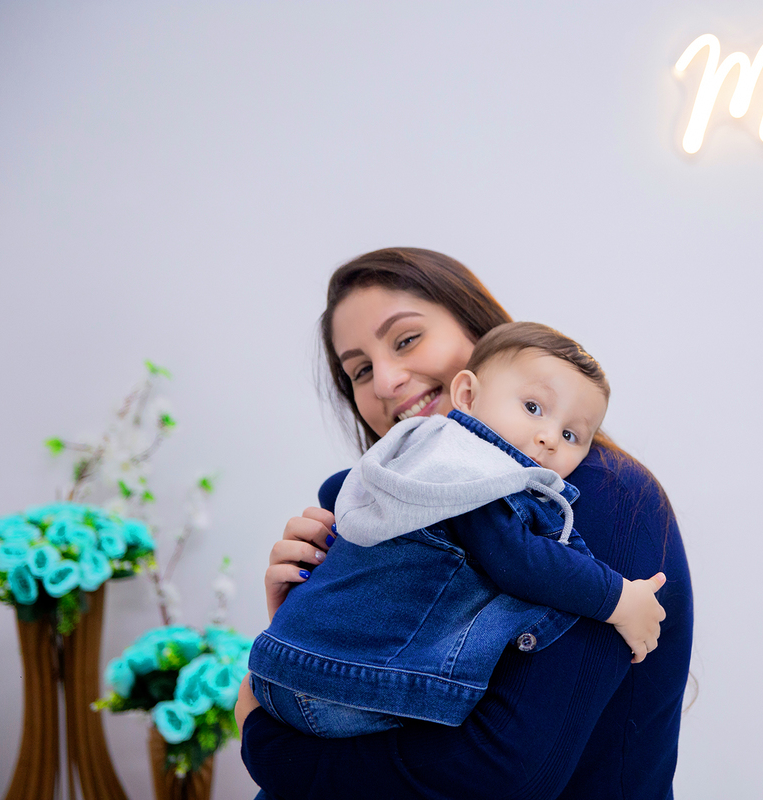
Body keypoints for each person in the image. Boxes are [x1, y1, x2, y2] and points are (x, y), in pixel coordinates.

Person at [237, 247, 694, 799]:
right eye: (359, 370)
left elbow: (496, 778)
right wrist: (315, 615)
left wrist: (261, 735)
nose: (384, 382)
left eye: (406, 340)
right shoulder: (418, 508)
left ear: (482, 335)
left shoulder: (589, 493)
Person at [248, 321, 669, 736]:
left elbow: (338, 489)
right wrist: (619, 599)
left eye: (572, 434)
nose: (549, 439)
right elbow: (521, 561)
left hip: (293, 665)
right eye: (533, 408)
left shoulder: (422, 447)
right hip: (341, 689)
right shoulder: (469, 470)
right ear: (467, 395)